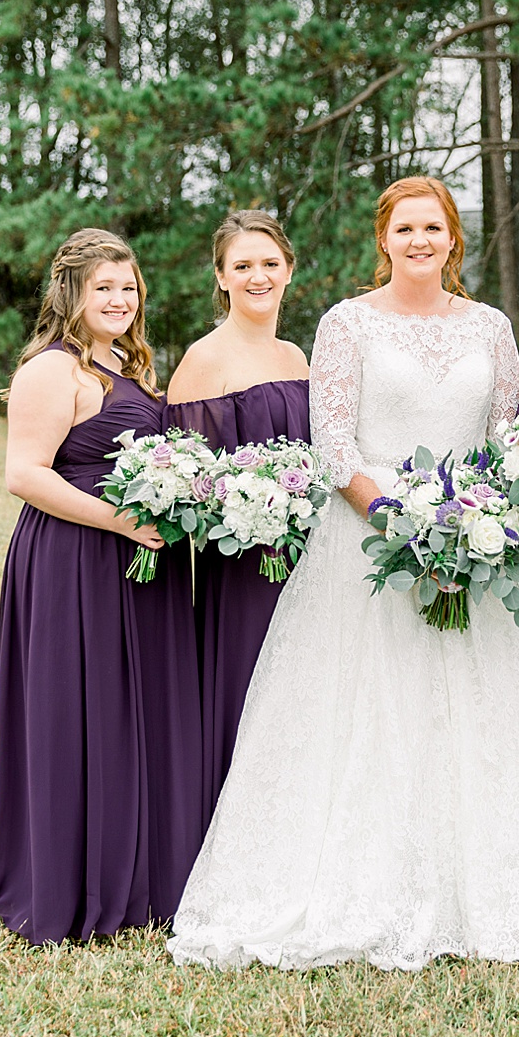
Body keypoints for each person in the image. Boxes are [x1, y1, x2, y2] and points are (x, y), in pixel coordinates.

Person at [167, 177, 519, 971]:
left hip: (476, 547)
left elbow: (503, 439)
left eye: (435, 227)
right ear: (383, 239)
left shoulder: (491, 327)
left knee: (481, 716)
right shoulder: (344, 324)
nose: (421, 240)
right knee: (361, 719)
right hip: (364, 550)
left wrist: (470, 526)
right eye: (405, 227)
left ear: (455, 239)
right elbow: (335, 446)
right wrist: (404, 524)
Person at [0, 229, 201, 944]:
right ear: (71, 292)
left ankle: (144, 872)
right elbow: (25, 474)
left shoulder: (127, 363)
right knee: (81, 709)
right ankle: (75, 877)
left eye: (129, 287)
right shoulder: (51, 369)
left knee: (137, 712)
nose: (121, 299)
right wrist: (121, 521)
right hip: (74, 559)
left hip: (139, 565)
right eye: (105, 287)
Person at [165, 210, 311, 806]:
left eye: (269, 264)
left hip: (304, 558)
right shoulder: (203, 361)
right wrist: (245, 504)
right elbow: (182, 476)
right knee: (250, 686)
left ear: (289, 272)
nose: (258, 277)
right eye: (243, 266)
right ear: (221, 277)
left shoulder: (298, 358)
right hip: (241, 563)